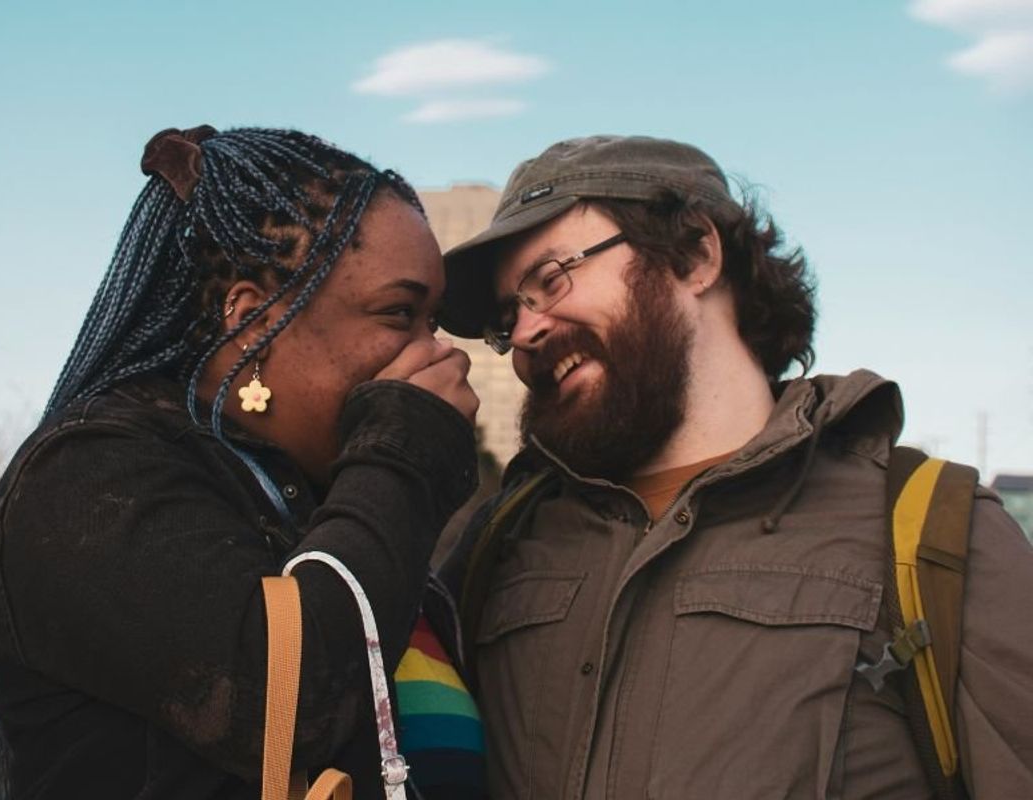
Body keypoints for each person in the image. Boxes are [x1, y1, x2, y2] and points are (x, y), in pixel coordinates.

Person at [437, 135, 1033, 798]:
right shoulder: (494, 545)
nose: (524, 335)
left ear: (696, 254)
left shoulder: (938, 538)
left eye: (550, 280)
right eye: (507, 317)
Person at [0, 125, 487, 799]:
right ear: (253, 320)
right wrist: (405, 450)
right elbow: (287, 707)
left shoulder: (342, 513)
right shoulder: (84, 476)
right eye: (399, 313)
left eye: (433, 322)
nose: (439, 356)